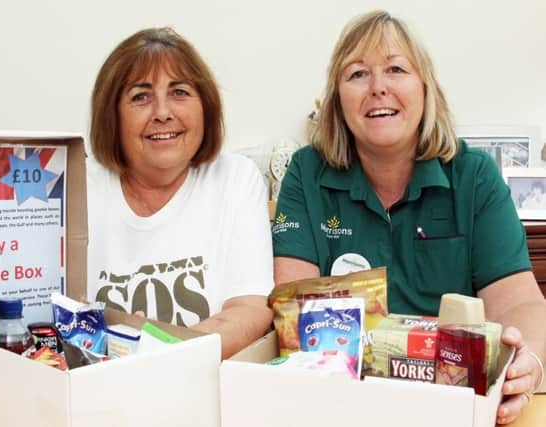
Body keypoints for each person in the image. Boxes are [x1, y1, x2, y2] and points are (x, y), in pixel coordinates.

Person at [272, 10, 545, 424]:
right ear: (337, 99)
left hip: (454, 403)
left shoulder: (473, 175)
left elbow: (522, 302)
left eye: (396, 69)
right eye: (357, 74)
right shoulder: (305, 173)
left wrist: (530, 365)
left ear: (425, 87)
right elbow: (294, 312)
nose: (378, 88)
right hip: (342, 403)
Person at [86, 27, 274, 360]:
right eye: (140, 96)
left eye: (180, 92)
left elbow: (250, 311)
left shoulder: (235, 179)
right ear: (111, 115)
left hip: (205, 395)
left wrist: (158, 347)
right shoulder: (81, 189)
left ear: (206, 106)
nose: (162, 112)